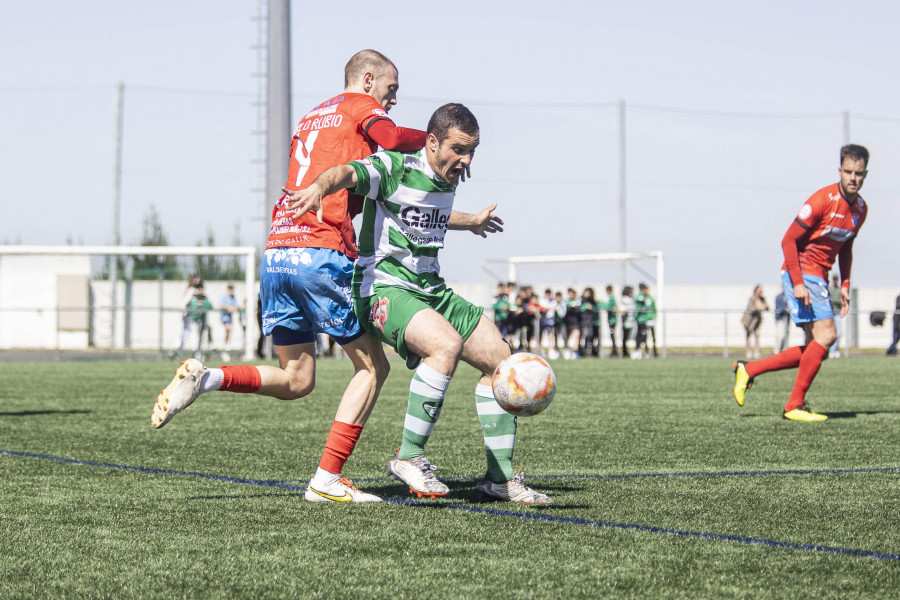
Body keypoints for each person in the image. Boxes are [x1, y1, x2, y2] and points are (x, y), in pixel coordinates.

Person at [151, 49, 430, 503]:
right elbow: (394, 137)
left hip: (279, 253)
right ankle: (327, 479)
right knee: (374, 366)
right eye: (391, 89)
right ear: (367, 79)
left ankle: (208, 378)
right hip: (320, 250)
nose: (392, 99)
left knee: (298, 378)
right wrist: (436, 138)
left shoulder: (312, 115)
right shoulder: (360, 106)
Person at [286, 103, 550, 504]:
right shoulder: (393, 167)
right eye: (459, 149)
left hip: (431, 289)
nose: (465, 160)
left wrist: (472, 221)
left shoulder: (446, 176)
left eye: (472, 151)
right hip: (383, 289)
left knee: (501, 361)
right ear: (431, 142)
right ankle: (408, 456)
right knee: (445, 345)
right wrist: (319, 187)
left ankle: (499, 479)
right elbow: (346, 172)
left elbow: (431, 212)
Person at [732, 144, 870, 421]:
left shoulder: (861, 209)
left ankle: (749, 370)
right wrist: (797, 282)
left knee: (815, 351)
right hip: (803, 272)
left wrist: (845, 284)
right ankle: (793, 405)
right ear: (839, 171)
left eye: (859, 173)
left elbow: (846, 247)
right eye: (848, 172)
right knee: (828, 337)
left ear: (865, 173)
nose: (853, 178)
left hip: (819, 274)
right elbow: (788, 240)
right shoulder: (822, 200)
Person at [741, 285, 769, 359]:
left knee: (757, 335)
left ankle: (756, 352)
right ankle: (749, 352)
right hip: (749, 320)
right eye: (759, 291)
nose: (760, 293)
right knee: (748, 336)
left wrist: (764, 307)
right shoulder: (752, 298)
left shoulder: (762, 299)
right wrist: (759, 307)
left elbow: (767, 307)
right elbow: (751, 307)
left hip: (757, 320)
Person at [186, 282, 213, 358]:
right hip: (195, 321)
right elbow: (194, 306)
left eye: (202, 289)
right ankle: (196, 354)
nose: (200, 290)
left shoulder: (205, 298)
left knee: (203, 337)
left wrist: (202, 304)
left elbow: (210, 306)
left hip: (203, 321)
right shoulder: (194, 298)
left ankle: (202, 354)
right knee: (195, 337)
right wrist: (200, 305)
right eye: (199, 289)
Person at [635, 283, 658, 358]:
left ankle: (654, 351)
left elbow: (654, 309)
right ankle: (644, 350)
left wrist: (655, 317)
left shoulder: (650, 299)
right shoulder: (641, 297)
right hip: (644, 320)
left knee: (653, 336)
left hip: (650, 320)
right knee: (644, 335)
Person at [218, 284, 239, 362]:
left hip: (229, 318)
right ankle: (225, 348)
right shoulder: (223, 296)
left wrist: (233, 309)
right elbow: (221, 305)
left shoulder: (233, 297)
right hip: (224, 318)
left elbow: (236, 306)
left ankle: (226, 347)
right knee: (228, 329)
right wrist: (228, 308)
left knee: (229, 331)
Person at [600, 285, 619, 357]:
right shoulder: (611, 297)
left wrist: (600, 303)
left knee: (612, 334)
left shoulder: (611, 298)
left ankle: (615, 351)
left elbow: (609, 306)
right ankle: (614, 350)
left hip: (612, 320)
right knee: (612, 335)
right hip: (611, 320)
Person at [828, 274, 843, 358]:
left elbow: (840, 301)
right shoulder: (829, 289)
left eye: (836, 279)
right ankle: (831, 351)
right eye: (834, 279)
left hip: (837, 314)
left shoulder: (839, 290)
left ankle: (836, 350)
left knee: (839, 333)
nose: (835, 281)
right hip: (830, 314)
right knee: (831, 333)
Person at [620, 286, 636, 358]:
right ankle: (624, 351)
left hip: (631, 322)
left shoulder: (632, 299)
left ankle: (627, 351)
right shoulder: (624, 300)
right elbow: (622, 310)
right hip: (626, 322)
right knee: (625, 337)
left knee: (630, 337)